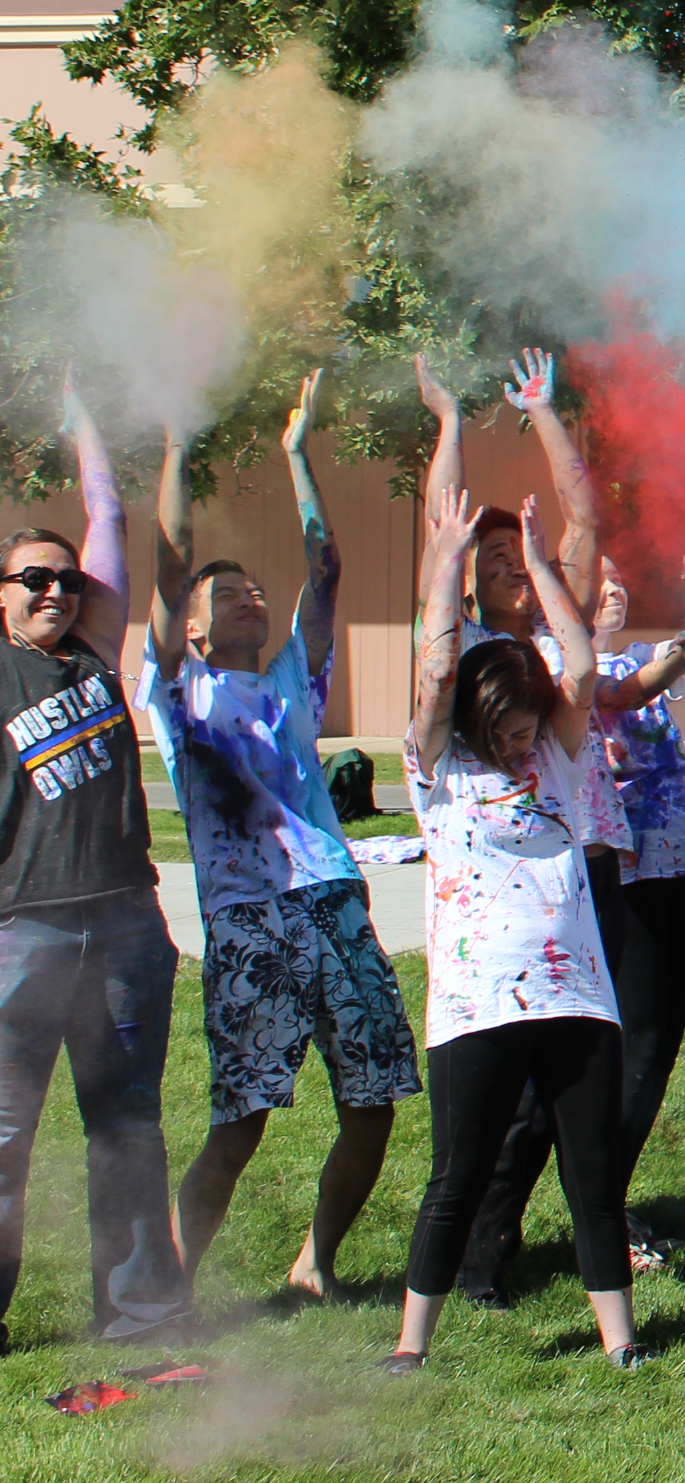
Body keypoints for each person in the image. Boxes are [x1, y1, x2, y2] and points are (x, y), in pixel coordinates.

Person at [146, 384, 420, 1299]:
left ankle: (316, 1265)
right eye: (227, 595)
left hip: (334, 899)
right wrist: (179, 449)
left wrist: (300, 452)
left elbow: (327, 567)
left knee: (373, 1103)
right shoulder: (178, 692)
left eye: (255, 591)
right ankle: (176, 1289)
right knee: (241, 1122)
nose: (250, 599)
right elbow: (169, 564)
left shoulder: (292, 683)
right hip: (249, 916)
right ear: (190, 626)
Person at [391, 487, 646, 1371]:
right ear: (474, 719)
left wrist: (541, 565)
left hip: (578, 999)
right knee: (456, 1178)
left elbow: (582, 662)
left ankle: (621, 1343)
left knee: (593, 1178)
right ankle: (411, 1347)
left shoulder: (560, 759)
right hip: (478, 1005)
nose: (518, 743)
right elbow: (434, 670)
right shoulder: (437, 772)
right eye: (503, 730)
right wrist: (445, 565)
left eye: (527, 727)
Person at [0, 386, 189, 1354]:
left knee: (127, 1125)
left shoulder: (93, 653)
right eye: (33, 580)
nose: (55, 594)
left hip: (123, 928)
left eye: (67, 580)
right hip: (21, 928)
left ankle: (140, 1312)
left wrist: (83, 417)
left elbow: (108, 515)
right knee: (4, 1134)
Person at [579, 557, 685, 1263]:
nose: (616, 589)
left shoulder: (640, 654)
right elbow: (624, 693)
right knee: (632, 1046)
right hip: (625, 876)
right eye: (598, 579)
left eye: (619, 579)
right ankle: (602, 1214)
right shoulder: (558, 669)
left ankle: (611, 1200)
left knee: (659, 1045)